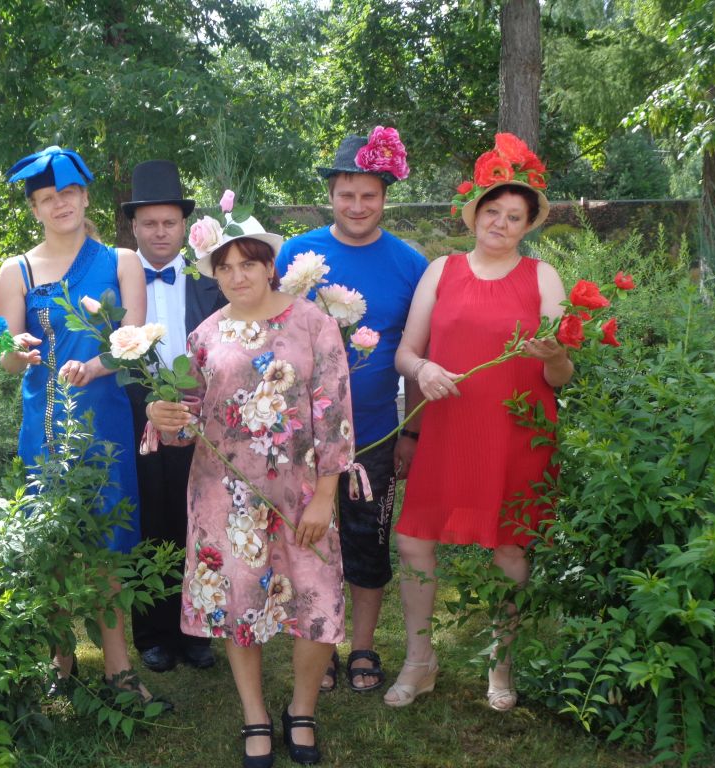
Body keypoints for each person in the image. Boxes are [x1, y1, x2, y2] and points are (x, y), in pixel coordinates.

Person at [147, 212, 358, 767]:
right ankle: (255, 715)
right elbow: (189, 421)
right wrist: (164, 416)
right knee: (239, 604)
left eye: (248, 264)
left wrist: (325, 495)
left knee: (317, 602)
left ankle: (302, 710)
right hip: (225, 497)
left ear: (270, 267)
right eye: (226, 267)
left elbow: (334, 413)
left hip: (301, 493)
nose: (238, 276)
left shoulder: (313, 324)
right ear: (215, 275)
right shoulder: (204, 335)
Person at [387, 134, 573, 711]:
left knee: (510, 549)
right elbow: (405, 353)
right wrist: (425, 368)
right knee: (413, 540)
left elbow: (562, 375)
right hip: (447, 429)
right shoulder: (441, 270)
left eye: (514, 216)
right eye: (493, 211)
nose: (501, 223)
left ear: (527, 225)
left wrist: (555, 356)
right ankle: (420, 660)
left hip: (515, 432)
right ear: (475, 213)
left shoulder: (543, 277)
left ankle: (500, 662)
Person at [0, 145, 168, 709]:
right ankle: (60, 663)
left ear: (85, 197)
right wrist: (17, 350)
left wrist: (95, 366)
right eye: (47, 198)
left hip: (105, 420)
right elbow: (5, 357)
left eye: (68, 193)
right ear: (35, 208)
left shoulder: (121, 261)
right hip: (45, 427)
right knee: (55, 543)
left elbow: (133, 339)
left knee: (108, 545)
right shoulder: (16, 270)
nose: (60, 204)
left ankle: (118, 669)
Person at [274, 128, 428, 693]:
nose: (357, 206)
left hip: (375, 434)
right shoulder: (297, 255)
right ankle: (321, 639)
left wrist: (411, 433)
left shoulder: (411, 264)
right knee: (308, 541)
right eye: (346, 194)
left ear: (385, 195)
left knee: (367, 540)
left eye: (369, 195)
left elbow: (418, 353)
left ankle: (362, 645)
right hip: (303, 434)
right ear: (330, 196)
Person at [122, 160, 225, 673]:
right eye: (149, 223)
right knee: (151, 522)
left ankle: (197, 630)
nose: (160, 232)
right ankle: (153, 633)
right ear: (134, 227)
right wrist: (147, 404)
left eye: (169, 222)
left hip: (202, 423)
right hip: (141, 420)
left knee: (199, 524)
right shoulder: (119, 285)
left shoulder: (210, 284)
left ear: (184, 226)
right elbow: (110, 352)